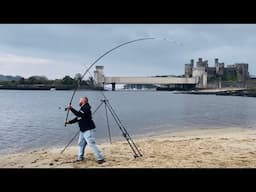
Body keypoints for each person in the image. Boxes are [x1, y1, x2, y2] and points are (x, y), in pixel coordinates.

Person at [65, 97, 105, 164]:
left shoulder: (86, 107)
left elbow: (79, 114)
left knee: (91, 144)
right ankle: (80, 158)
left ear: (83, 101)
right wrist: (69, 122)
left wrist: (71, 108)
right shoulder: (82, 108)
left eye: (80, 100)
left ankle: (100, 158)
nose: (79, 102)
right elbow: (78, 118)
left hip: (88, 129)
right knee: (81, 144)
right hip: (83, 130)